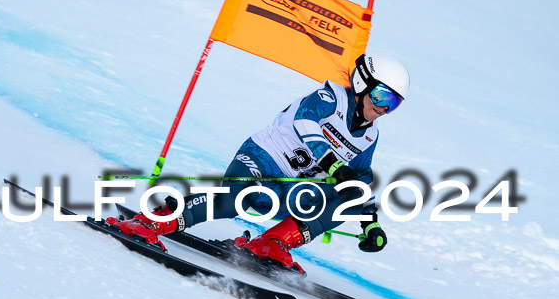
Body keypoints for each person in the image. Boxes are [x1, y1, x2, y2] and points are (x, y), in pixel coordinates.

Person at [107, 53, 410, 274]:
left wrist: (370, 223)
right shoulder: (329, 98)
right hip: (261, 160)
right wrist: (333, 167)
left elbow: (360, 179)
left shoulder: (369, 136)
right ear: (362, 82)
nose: (384, 107)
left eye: (393, 103)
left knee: (348, 196)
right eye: (382, 94)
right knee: (234, 200)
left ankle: (272, 243)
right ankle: (147, 222)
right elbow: (306, 125)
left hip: (289, 189)